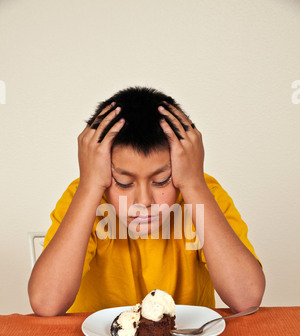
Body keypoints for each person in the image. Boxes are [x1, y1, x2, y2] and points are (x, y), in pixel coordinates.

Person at [28, 86, 265, 316]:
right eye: (123, 182)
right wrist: (89, 186)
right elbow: (47, 303)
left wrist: (194, 184)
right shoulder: (83, 196)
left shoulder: (203, 193)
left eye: (161, 181)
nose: (143, 201)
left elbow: (247, 299)